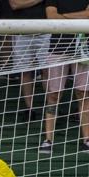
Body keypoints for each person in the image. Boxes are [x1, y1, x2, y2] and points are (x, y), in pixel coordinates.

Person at [41, 0, 89, 154]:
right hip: (57, 48)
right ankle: (48, 139)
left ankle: (87, 139)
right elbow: (51, 16)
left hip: (83, 47)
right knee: (53, 95)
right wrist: (77, 18)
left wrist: (63, 17)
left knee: (84, 94)